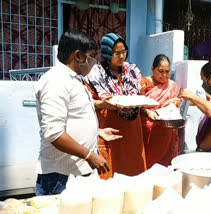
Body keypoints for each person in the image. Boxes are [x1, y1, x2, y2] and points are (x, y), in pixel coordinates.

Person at [35, 30, 121, 196]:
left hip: (77, 172)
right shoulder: (55, 81)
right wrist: (89, 155)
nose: (94, 62)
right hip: (59, 176)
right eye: (91, 56)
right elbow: (53, 133)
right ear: (79, 56)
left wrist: (97, 132)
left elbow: (74, 116)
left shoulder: (74, 79)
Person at [86, 33, 146, 179]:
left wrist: (147, 110)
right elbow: (87, 103)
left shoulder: (133, 71)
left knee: (133, 175)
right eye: (117, 53)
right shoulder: (95, 74)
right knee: (110, 176)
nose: (121, 56)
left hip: (132, 133)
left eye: (124, 52)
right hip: (109, 130)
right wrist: (103, 104)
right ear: (107, 53)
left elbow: (142, 94)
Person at [140, 54, 181, 168]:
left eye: (167, 72)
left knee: (165, 166)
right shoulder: (143, 83)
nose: (164, 75)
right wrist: (148, 112)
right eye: (160, 71)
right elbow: (140, 105)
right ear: (153, 69)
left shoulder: (172, 86)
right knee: (148, 163)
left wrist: (175, 103)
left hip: (166, 130)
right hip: (148, 130)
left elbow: (178, 105)